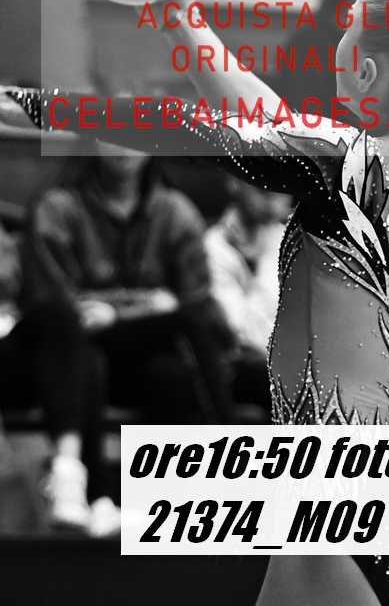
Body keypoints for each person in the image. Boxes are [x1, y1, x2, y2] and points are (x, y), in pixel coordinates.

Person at [1, 0, 389, 605]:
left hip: (337, 496)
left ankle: (99, 494)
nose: (337, 39)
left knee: (162, 498)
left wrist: (24, 105)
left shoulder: (354, 166)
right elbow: (268, 120)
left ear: (365, 72)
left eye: (347, 25)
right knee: (170, 496)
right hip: (373, 490)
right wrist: (183, 20)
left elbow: (181, 125)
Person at [2, 145, 235, 534]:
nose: (122, 143)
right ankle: (93, 491)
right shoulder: (57, 208)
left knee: (171, 369)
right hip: (62, 346)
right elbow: (53, 304)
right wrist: (146, 304)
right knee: (87, 348)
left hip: (137, 353)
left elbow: (198, 305)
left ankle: (154, 503)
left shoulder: (176, 212)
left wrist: (117, 311)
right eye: (112, 131)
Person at [205, 179, 291, 414]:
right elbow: (241, 332)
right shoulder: (213, 246)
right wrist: (252, 265)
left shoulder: (293, 240)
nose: (273, 201)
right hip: (245, 370)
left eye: (281, 191)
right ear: (234, 183)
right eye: (262, 190)